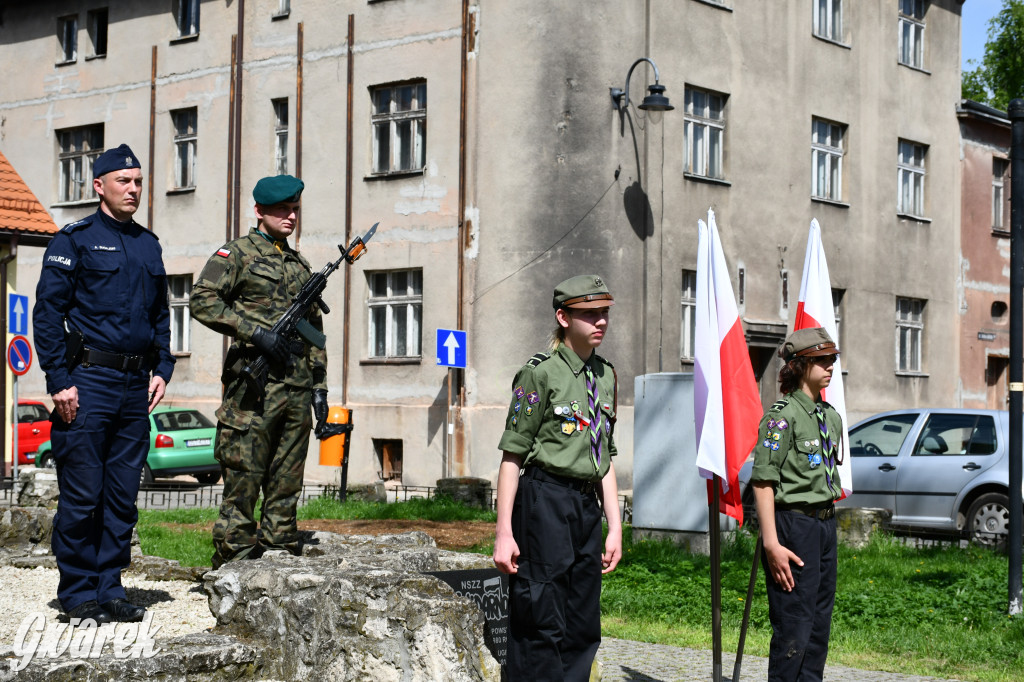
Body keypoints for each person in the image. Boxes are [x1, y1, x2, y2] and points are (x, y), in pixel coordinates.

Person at [34, 143, 175, 625]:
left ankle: (110, 585)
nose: (133, 189)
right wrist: (59, 380)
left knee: (120, 493)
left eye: (138, 181)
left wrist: (163, 367)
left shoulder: (148, 244)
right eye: (123, 181)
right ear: (99, 186)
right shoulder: (71, 241)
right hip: (87, 383)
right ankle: (77, 592)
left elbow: (161, 313)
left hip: (135, 386)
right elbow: (48, 314)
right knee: (82, 492)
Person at [191, 174, 334, 568]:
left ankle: (278, 561)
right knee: (244, 480)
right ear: (259, 211)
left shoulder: (299, 264)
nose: (290, 216)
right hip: (253, 391)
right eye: (282, 209)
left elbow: (313, 332)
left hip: (296, 388)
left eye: (295, 210)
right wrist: (254, 333)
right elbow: (201, 300)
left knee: (286, 483)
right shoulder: (236, 254)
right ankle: (233, 568)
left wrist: (319, 387)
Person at [493, 274, 623, 681]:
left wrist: (615, 525)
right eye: (589, 314)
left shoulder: (605, 375)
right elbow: (512, 456)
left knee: (582, 625)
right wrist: (503, 533)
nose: (600, 321)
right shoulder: (540, 374)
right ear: (563, 317)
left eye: (603, 312)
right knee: (540, 617)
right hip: (544, 501)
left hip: (586, 508)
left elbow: (604, 456)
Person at [750, 327, 844, 682]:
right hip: (793, 526)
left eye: (831, 359)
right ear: (799, 365)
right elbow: (763, 480)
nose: (829, 367)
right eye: (820, 360)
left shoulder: (829, 416)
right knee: (794, 626)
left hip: (824, 525)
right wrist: (772, 543)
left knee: (819, 627)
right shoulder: (782, 415)